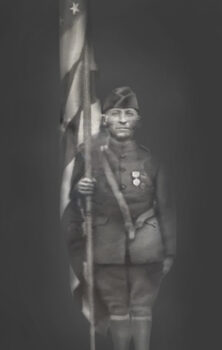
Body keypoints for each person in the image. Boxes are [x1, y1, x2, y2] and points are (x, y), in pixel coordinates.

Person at [62, 87, 176, 350]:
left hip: (147, 247)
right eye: (115, 113)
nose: (123, 119)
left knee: (142, 305)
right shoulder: (89, 157)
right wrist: (81, 190)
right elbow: (73, 199)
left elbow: (165, 207)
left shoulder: (151, 161)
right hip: (106, 246)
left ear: (138, 119)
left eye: (129, 113)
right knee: (117, 306)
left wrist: (169, 250)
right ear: (104, 119)